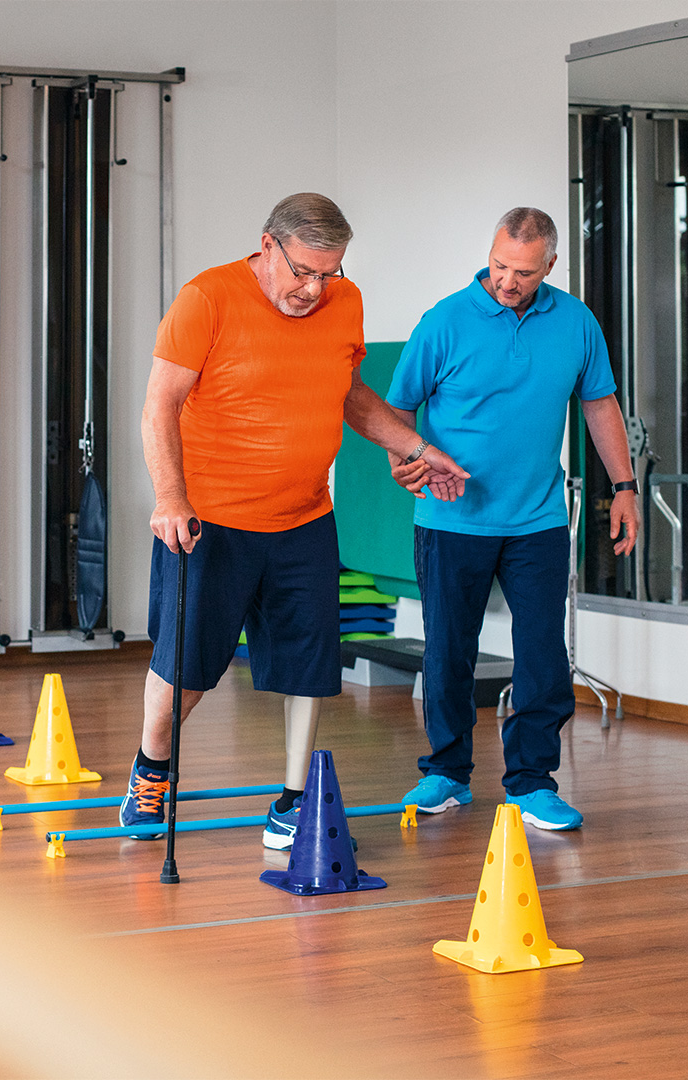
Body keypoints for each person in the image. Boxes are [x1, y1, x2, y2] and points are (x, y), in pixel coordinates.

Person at [122, 193, 467, 850]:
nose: (315, 288)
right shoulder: (208, 299)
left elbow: (347, 394)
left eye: (329, 273)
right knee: (186, 668)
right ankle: (153, 766)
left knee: (310, 666)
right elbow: (158, 404)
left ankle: (292, 798)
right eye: (303, 271)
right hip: (208, 522)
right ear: (267, 246)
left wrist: (413, 445)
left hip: (304, 517)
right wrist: (170, 497)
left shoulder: (346, 302)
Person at [386, 207, 639, 831]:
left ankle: (531, 783)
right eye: (500, 265)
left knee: (543, 660)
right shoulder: (444, 321)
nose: (507, 280)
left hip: (538, 520)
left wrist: (626, 487)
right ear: (490, 253)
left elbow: (599, 402)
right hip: (451, 520)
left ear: (550, 264)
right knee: (449, 652)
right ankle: (444, 773)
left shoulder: (576, 322)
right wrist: (406, 459)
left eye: (523, 272)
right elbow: (393, 408)